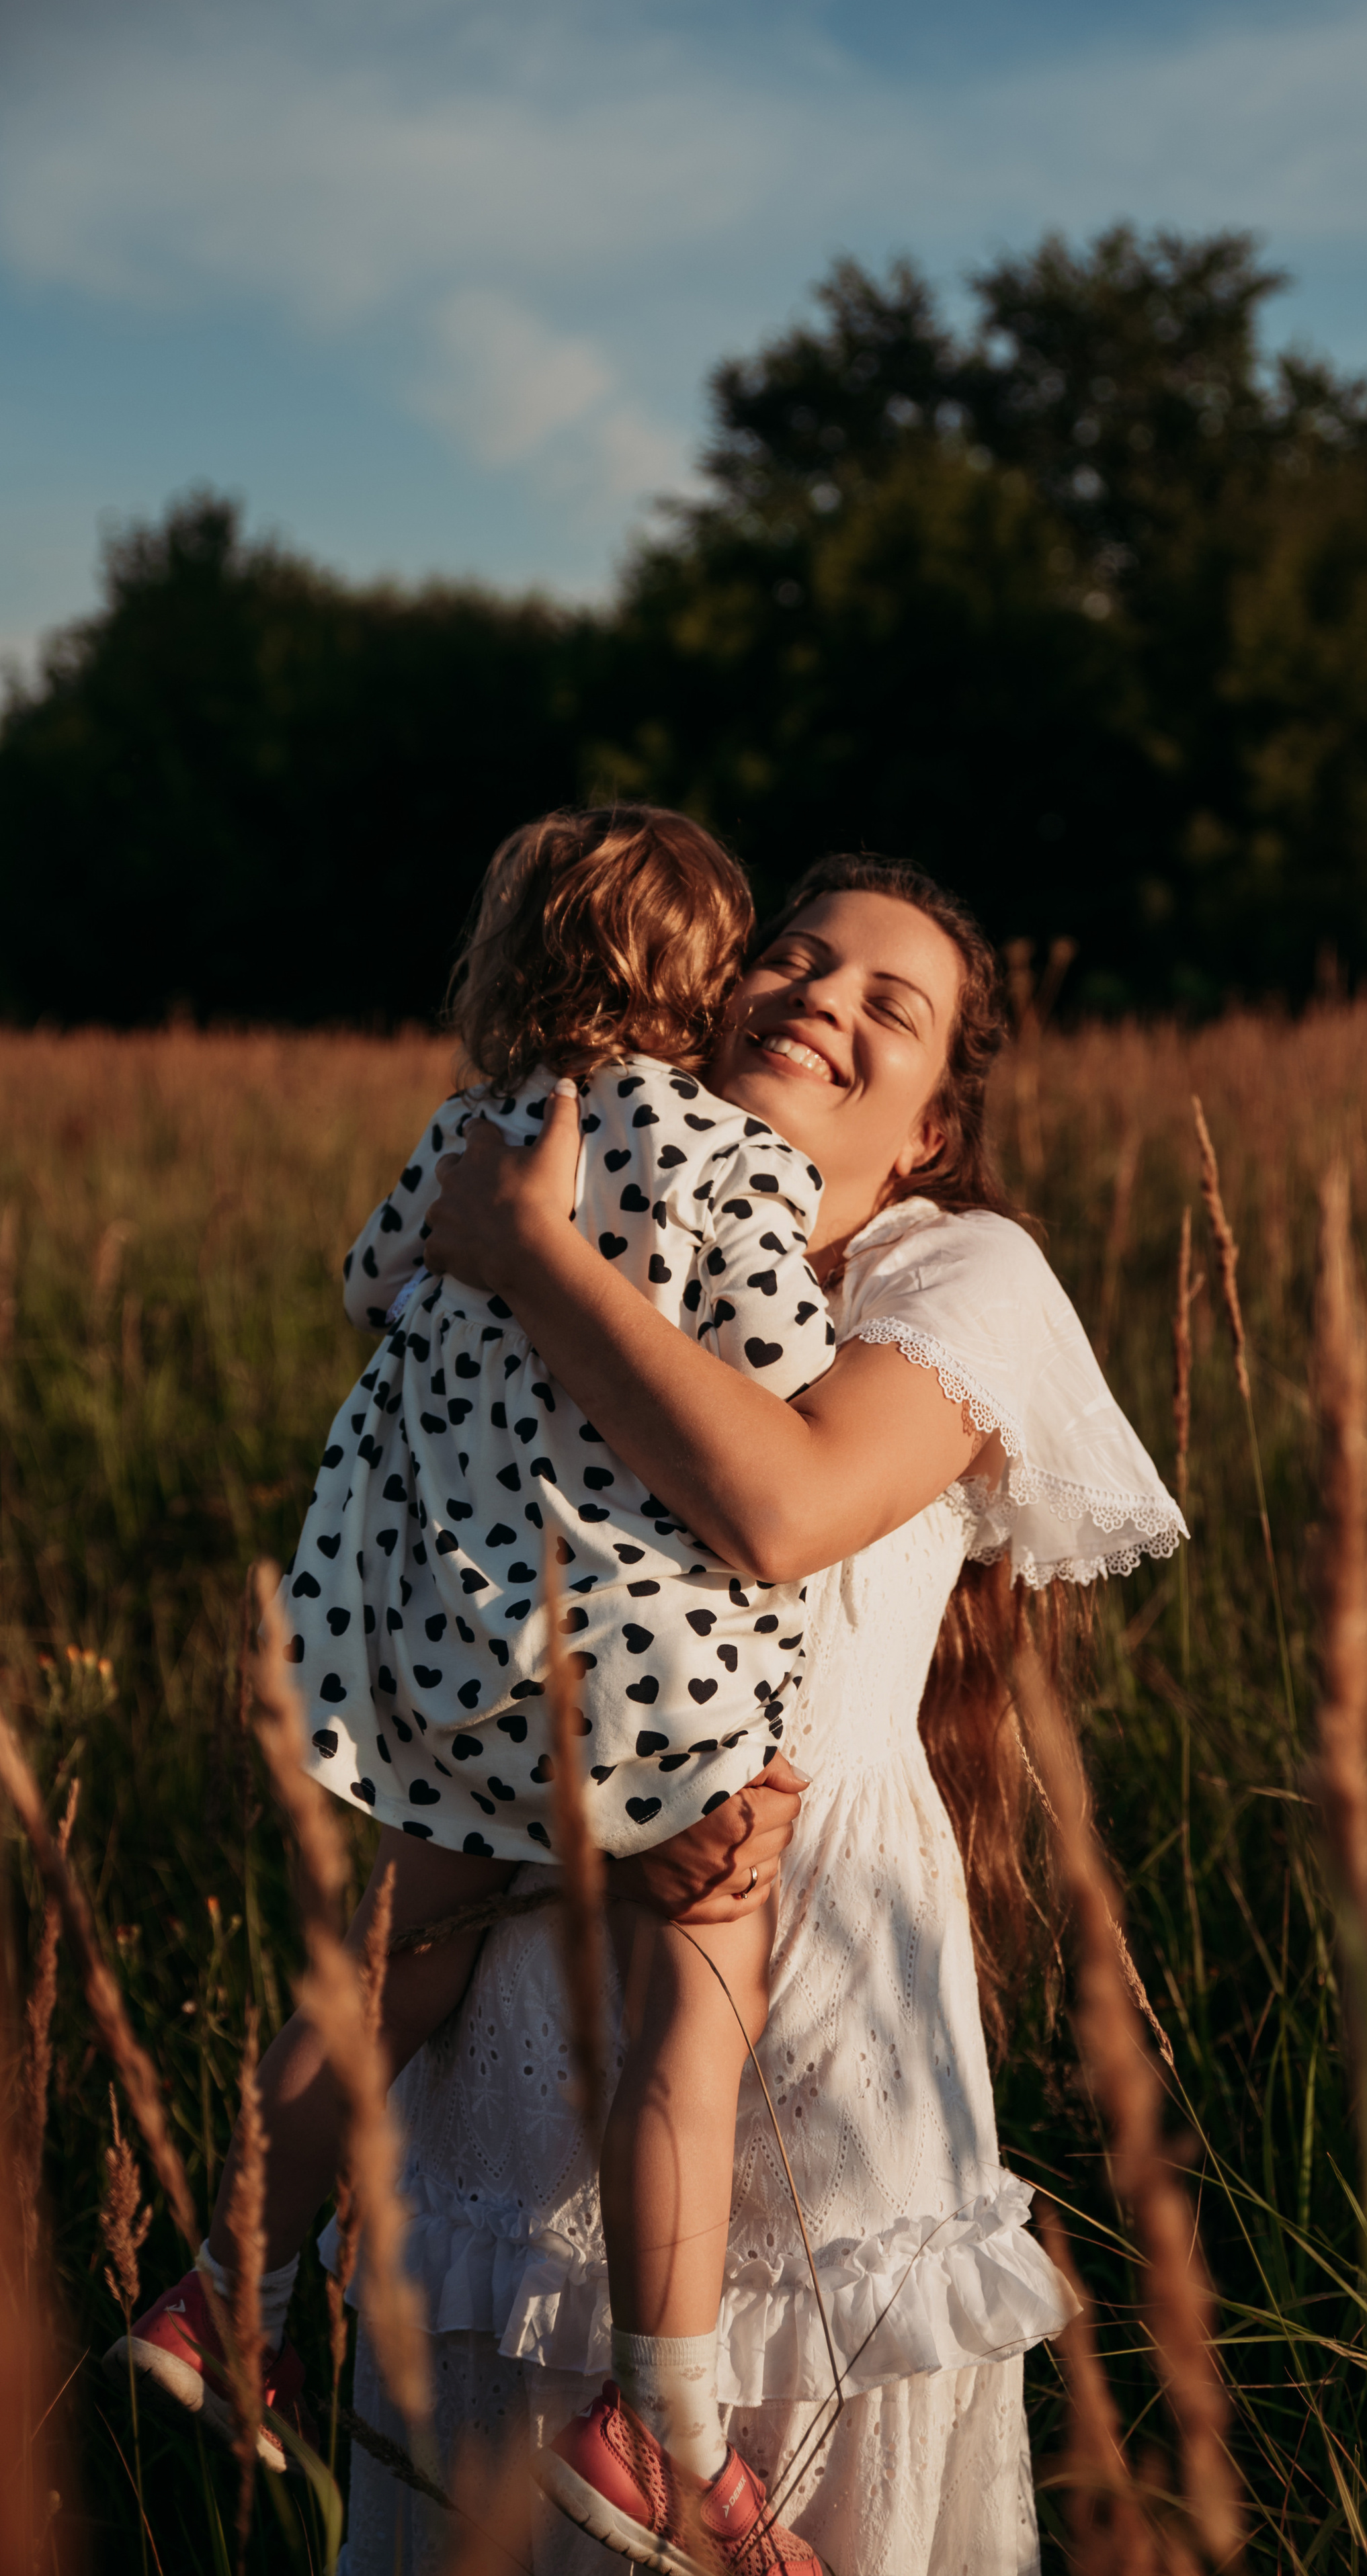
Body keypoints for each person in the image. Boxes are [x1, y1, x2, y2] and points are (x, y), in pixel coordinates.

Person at [338, 857, 1188, 2573]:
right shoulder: (589, 1199)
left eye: (893, 1004)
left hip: (812, 1983)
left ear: (934, 1124)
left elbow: (786, 1505)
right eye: (792, 962)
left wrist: (523, 1255)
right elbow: (434, 1594)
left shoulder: (958, 1276)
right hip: (525, 1986)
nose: (821, 999)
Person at [106, 806, 849, 2567]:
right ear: (709, 979)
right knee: (694, 2004)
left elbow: (371, 1286)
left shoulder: (464, 1135)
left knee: (399, 1963)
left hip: (447, 1664)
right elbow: (782, 1377)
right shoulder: (725, 1152)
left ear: (511, 964)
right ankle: (660, 2422)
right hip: (644, 1681)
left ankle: (228, 2285)